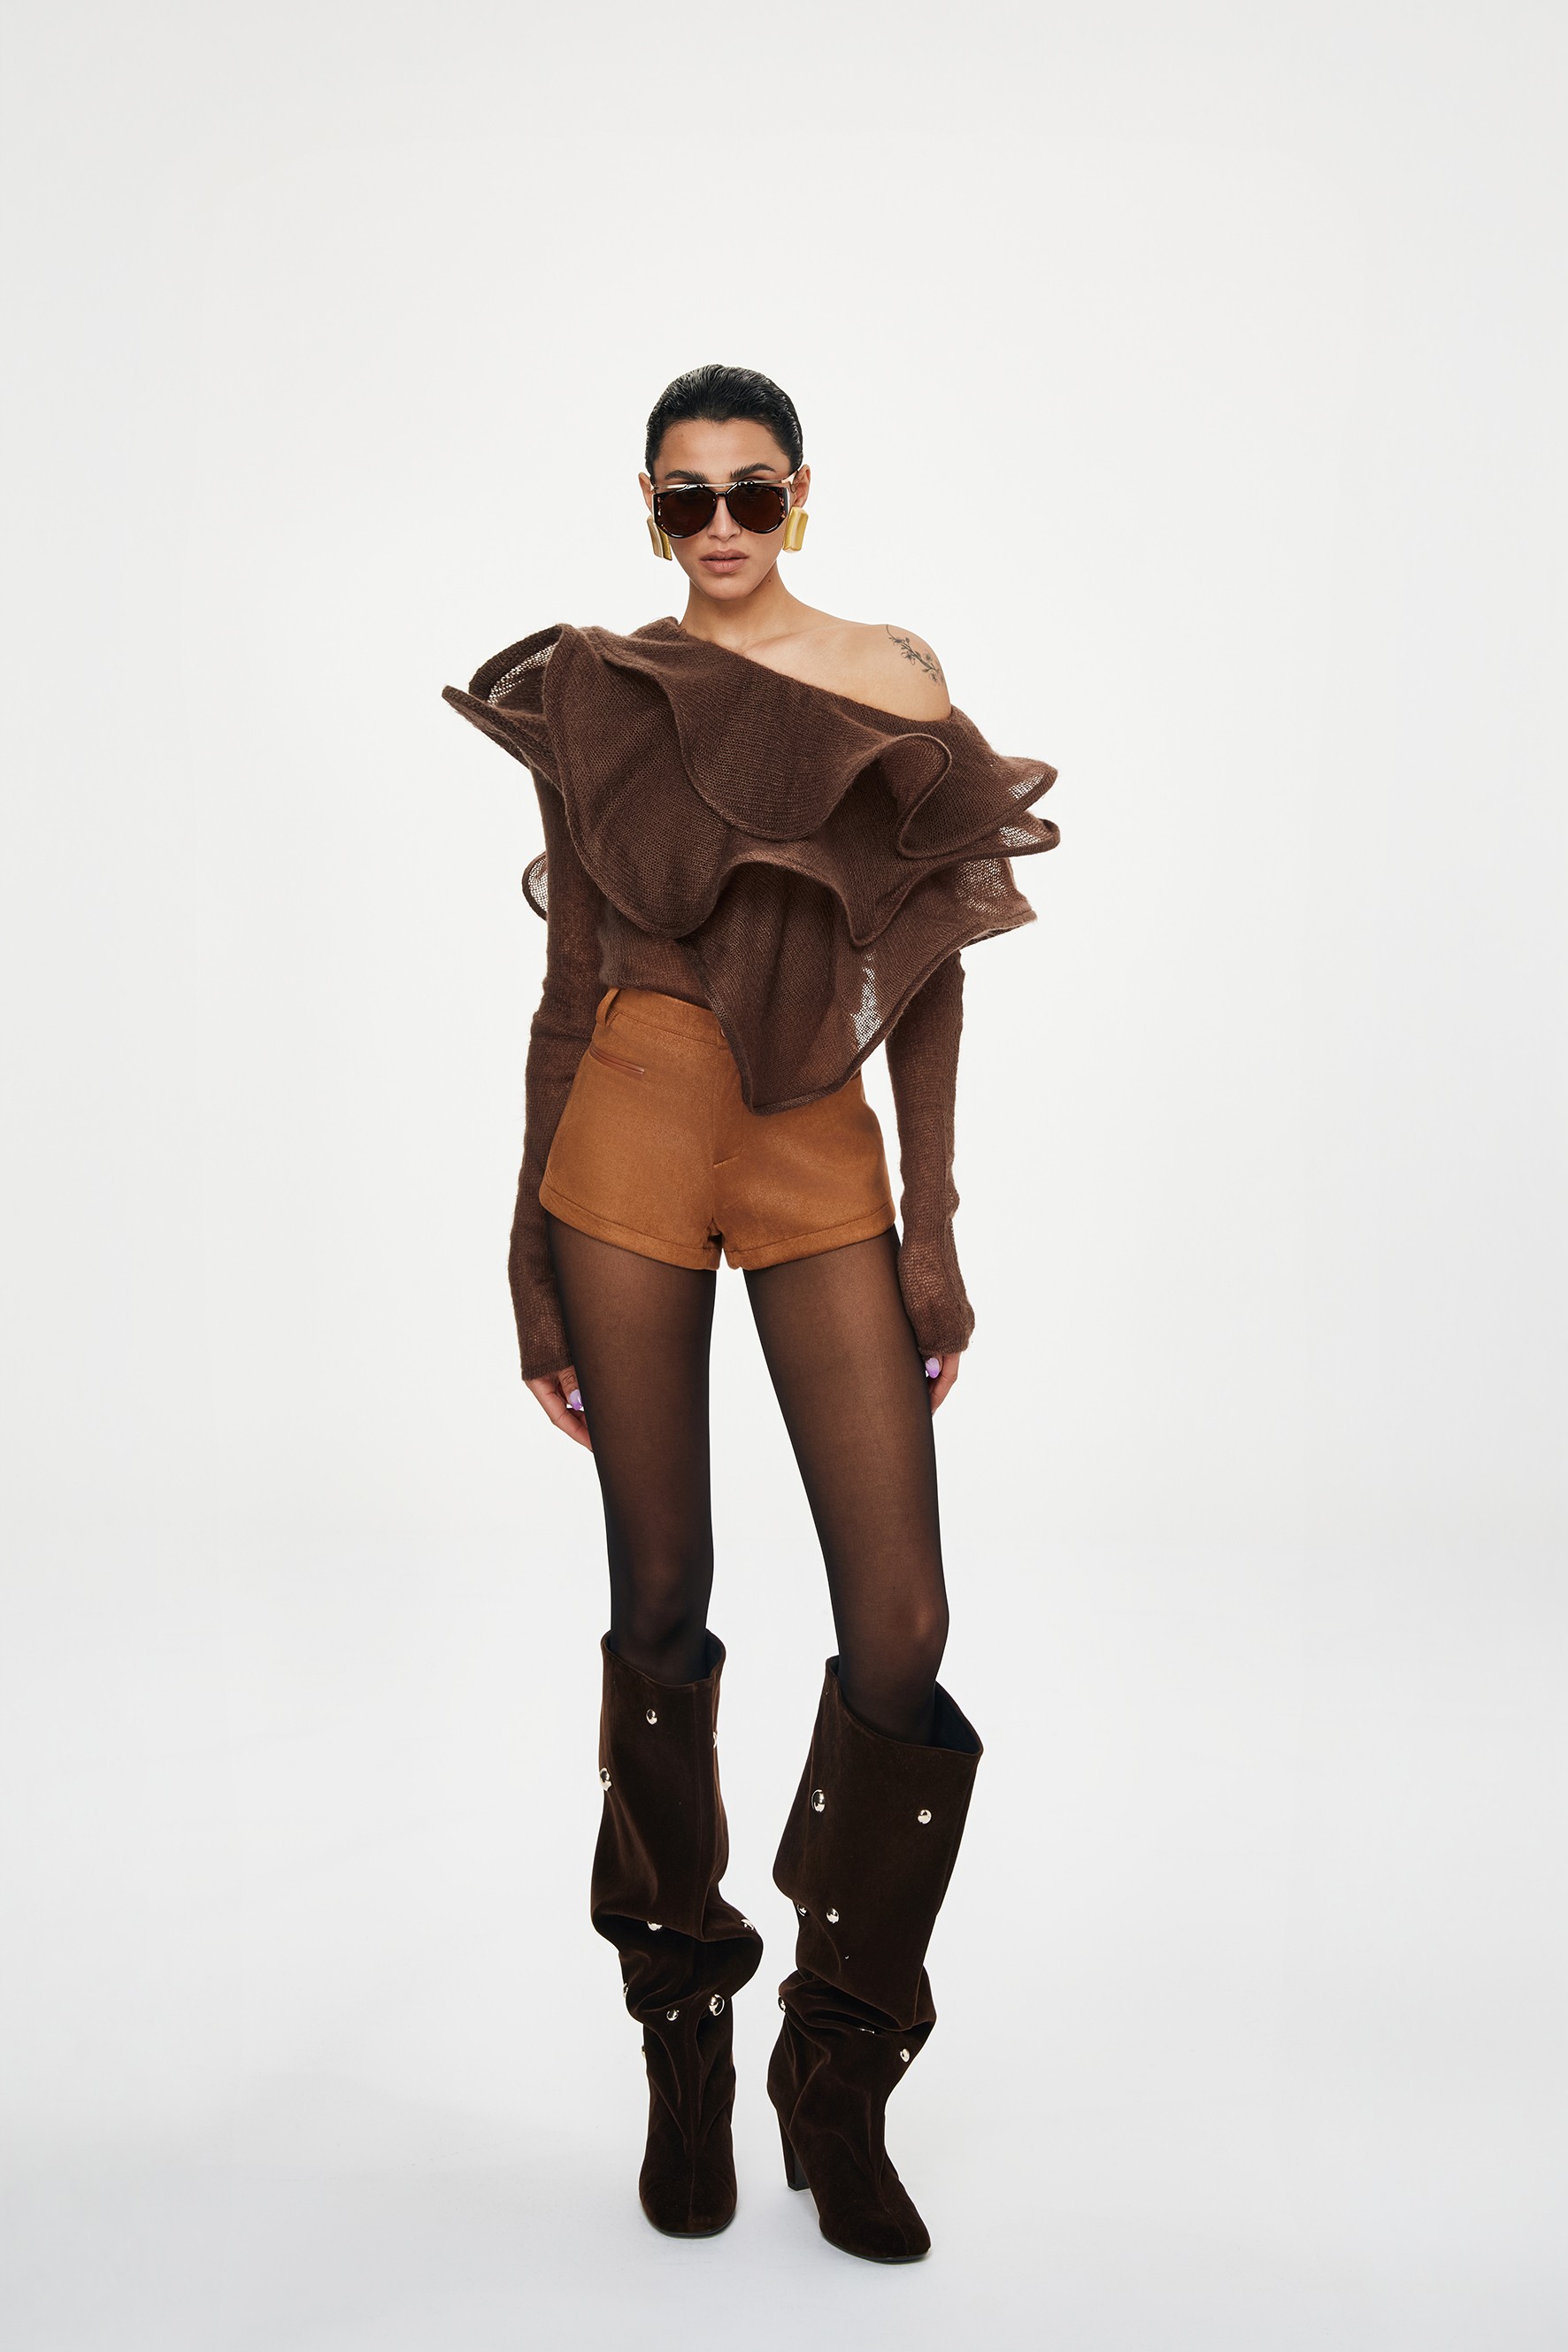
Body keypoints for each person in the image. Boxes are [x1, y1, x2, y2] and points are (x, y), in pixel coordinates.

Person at [441, 363, 1059, 2264]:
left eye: (751, 493)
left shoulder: (886, 675)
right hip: (625, 1138)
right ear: (649, 509)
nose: (718, 529)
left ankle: (840, 2062)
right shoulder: (602, 689)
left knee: (902, 1620)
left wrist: (931, 1232)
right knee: (659, 1596)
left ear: (803, 496)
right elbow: (569, 984)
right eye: (683, 499)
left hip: (811, 1153)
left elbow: (932, 976)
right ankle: (685, 2028)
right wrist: (527, 1253)